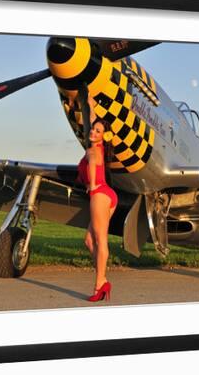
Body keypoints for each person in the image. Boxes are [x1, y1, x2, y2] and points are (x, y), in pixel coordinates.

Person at [76, 115, 118, 302]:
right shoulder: (99, 147)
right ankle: (103, 278)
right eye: (93, 129)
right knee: (89, 241)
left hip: (100, 193)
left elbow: (92, 163)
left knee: (101, 240)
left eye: (98, 131)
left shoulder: (93, 150)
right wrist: (89, 100)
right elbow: (92, 118)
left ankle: (99, 284)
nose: (93, 132)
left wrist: (91, 184)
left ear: (103, 136)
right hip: (107, 193)